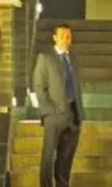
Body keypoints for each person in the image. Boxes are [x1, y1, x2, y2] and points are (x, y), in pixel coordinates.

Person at [28, 22, 83, 187]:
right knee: (49, 156)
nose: (66, 39)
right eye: (62, 36)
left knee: (66, 156)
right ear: (54, 38)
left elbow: (76, 85)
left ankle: (62, 184)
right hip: (54, 115)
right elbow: (38, 86)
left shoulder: (73, 58)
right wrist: (49, 110)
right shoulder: (45, 58)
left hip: (73, 114)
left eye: (68, 36)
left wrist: (79, 111)